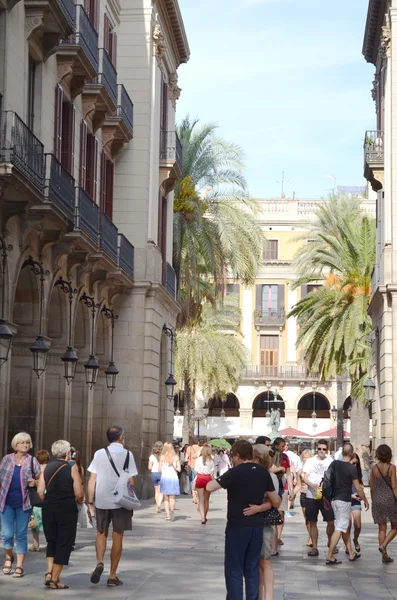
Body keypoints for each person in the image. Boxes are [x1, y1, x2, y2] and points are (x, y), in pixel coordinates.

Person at [207, 440, 280, 600]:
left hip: (237, 525)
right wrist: (260, 507)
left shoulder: (235, 472)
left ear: (237, 455)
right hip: (257, 526)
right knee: (252, 567)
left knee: (234, 569)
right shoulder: (263, 473)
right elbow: (276, 501)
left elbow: (210, 487)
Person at [87, 426, 138, 586]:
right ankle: (112, 575)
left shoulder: (99, 454)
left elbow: (92, 479)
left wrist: (90, 501)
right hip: (120, 501)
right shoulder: (128, 455)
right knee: (118, 535)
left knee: (101, 532)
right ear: (121, 437)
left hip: (101, 499)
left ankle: (100, 561)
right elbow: (131, 481)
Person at [37, 440, 84, 589]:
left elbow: (39, 491)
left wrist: (49, 500)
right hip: (66, 508)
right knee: (65, 542)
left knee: (52, 541)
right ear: (68, 453)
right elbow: (78, 492)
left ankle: (49, 573)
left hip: (49, 507)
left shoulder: (47, 468)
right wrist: (81, 500)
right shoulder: (71, 468)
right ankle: (55, 579)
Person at [0, 431, 41, 578]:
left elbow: (40, 479)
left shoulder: (32, 461)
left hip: (24, 503)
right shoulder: (6, 460)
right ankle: (8, 557)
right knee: (7, 534)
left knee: (21, 534)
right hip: (6, 502)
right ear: (16, 445)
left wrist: (35, 482)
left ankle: (19, 565)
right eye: (23, 442)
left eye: (28, 443)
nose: (25, 445)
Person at [325, 443, 368, 565]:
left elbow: (328, 477)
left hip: (333, 499)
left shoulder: (334, 463)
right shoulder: (351, 469)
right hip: (344, 501)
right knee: (339, 528)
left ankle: (351, 552)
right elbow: (358, 488)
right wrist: (365, 500)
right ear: (351, 453)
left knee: (342, 526)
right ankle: (329, 555)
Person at [250, 444, 280, 600]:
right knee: (263, 563)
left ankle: (265, 597)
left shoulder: (268, 476)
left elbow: (275, 502)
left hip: (262, 523)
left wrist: (258, 508)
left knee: (263, 563)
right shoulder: (272, 476)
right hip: (264, 524)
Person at [302, 439, 335, 557]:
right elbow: (304, 477)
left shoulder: (331, 461)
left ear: (327, 449)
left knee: (330, 521)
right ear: (317, 449)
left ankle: (331, 541)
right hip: (312, 495)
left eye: (324, 449)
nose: (321, 451)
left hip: (326, 496)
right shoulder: (310, 461)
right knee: (312, 521)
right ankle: (315, 547)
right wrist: (312, 485)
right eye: (320, 448)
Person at [370, 444, 397, 563]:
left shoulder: (374, 468)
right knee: (395, 527)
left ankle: (384, 555)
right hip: (390, 500)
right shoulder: (392, 467)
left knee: (382, 528)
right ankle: (383, 545)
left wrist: (373, 500)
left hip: (377, 500)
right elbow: (394, 487)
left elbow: (371, 486)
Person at [270, 437, 293, 545]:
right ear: (276, 446)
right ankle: (271, 536)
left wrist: (291, 489)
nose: (284, 448)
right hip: (271, 483)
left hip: (283, 485)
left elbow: (288, 473)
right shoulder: (270, 455)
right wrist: (279, 469)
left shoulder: (285, 457)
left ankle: (278, 536)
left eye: (285, 446)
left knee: (281, 511)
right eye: (282, 446)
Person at [30, 449, 50, 552]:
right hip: (47, 497)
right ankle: (50, 543)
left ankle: (36, 545)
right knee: (48, 522)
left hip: (37, 497)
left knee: (35, 523)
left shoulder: (35, 469)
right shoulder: (50, 468)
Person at [293, 449, 313, 546]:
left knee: (312, 517)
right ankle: (310, 535)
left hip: (313, 495)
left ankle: (312, 537)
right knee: (307, 518)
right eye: (304, 458)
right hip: (304, 495)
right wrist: (292, 494)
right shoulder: (300, 471)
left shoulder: (314, 470)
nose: (306, 459)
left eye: (308, 457)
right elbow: (298, 485)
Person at [159, 442, 181, 521]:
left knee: (165, 497)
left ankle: (168, 515)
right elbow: (179, 469)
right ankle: (172, 510)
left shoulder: (162, 457)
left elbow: (159, 469)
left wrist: (164, 471)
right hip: (173, 477)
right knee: (172, 497)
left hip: (165, 477)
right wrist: (174, 467)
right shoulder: (176, 457)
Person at [347, 452, 364, 554]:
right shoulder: (344, 472)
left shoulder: (358, 473)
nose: (354, 466)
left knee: (357, 525)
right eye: (353, 463)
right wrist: (351, 495)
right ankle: (348, 545)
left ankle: (355, 539)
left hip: (356, 501)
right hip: (346, 500)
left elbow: (360, 486)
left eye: (356, 464)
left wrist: (361, 493)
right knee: (348, 524)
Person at [195, 444, 215, 524]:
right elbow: (212, 472)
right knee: (207, 499)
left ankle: (202, 517)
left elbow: (196, 471)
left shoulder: (198, 459)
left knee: (201, 499)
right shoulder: (211, 460)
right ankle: (205, 516)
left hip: (200, 478)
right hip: (208, 479)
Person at [148, 441, 163, 512]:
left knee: (156, 491)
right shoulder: (163, 456)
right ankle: (159, 505)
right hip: (161, 473)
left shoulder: (151, 456)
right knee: (161, 491)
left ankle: (157, 505)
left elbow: (149, 467)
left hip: (154, 473)